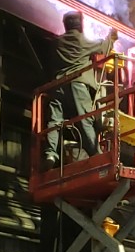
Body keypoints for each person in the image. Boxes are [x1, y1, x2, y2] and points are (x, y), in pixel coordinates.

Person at [45, 11, 117, 166]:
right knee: (85, 120)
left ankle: (50, 154)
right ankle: (96, 155)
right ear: (80, 25)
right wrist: (111, 36)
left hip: (57, 87)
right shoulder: (82, 40)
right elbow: (104, 48)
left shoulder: (57, 42)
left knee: (54, 121)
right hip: (77, 85)